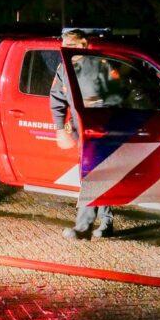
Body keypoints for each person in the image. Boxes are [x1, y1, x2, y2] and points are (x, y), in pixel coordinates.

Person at [50, 29, 115, 240]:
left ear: (83, 45)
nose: (68, 47)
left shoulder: (99, 65)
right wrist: (61, 128)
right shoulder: (64, 69)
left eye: (73, 43)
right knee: (97, 176)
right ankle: (106, 222)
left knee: (93, 176)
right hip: (81, 133)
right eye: (65, 43)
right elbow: (57, 99)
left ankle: (83, 227)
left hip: (101, 131)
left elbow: (116, 94)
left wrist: (99, 109)